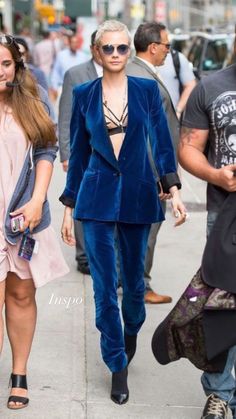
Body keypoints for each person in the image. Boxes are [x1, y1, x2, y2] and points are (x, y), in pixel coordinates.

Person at [60, 19, 186, 405]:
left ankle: (131, 332)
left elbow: (163, 144)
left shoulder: (147, 90)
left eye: (121, 48)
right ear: (97, 53)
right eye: (107, 48)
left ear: (128, 52)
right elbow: (80, 155)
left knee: (133, 287)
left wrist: (174, 189)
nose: (115, 54)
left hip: (137, 194)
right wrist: (69, 208)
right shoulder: (84, 94)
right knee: (103, 288)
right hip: (96, 198)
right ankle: (116, 363)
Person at [0, 34, 68, 410]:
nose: (0, 71)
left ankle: (19, 373)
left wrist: (38, 200)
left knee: (21, 294)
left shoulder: (31, 96)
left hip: (21, 214)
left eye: (6, 63)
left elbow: (45, 147)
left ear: (16, 64)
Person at [178, 39, 236, 419]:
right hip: (225, 216)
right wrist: (215, 174)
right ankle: (220, 396)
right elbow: (188, 149)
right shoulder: (211, 86)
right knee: (221, 309)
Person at [126, 22, 179, 304]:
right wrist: (159, 176)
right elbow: (144, 135)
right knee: (145, 232)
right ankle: (140, 287)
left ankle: (132, 282)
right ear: (154, 47)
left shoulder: (135, 72)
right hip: (148, 175)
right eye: (167, 45)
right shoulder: (140, 77)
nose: (169, 52)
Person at [58, 31, 102, 275]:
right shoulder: (75, 74)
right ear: (94, 48)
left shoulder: (122, 73)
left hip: (111, 153)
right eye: (104, 47)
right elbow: (66, 115)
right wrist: (66, 152)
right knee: (80, 199)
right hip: (83, 150)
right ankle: (84, 256)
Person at [158, 47, 196, 120]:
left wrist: (178, 110)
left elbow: (190, 85)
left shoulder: (176, 58)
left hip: (171, 118)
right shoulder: (139, 59)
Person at [50, 33, 87, 99]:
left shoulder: (83, 56)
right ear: (69, 43)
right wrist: (55, 87)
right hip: (63, 88)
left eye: (76, 42)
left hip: (79, 89)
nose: (75, 44)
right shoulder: (61, 55)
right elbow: (56, 71)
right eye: (73, 42)